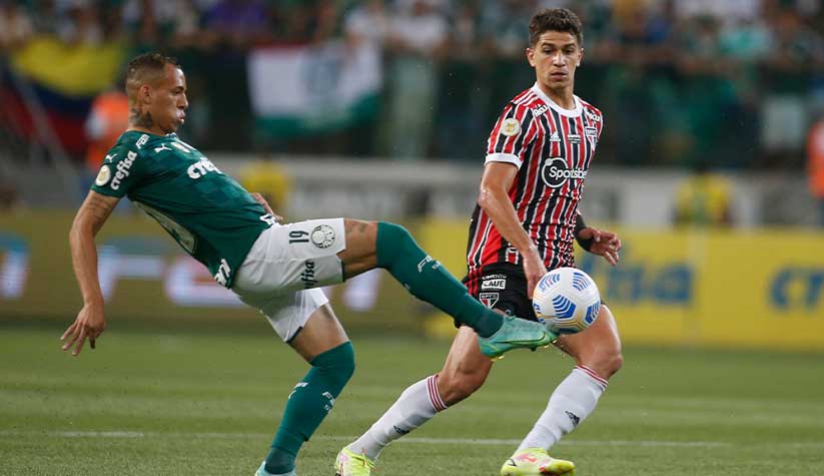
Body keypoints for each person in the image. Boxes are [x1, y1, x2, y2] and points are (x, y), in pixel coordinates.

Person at [59, 52, 556, 476]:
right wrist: (93, 301)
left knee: (336, 360)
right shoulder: (132, 148)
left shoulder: (168, 145)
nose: (185, 102)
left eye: (186, 93)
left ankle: (277, 466)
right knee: (392, 241)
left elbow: (197, 202)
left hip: (252, 261)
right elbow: (83, 225)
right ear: (143, 95)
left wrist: (246, 199)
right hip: (259, 251)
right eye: (175, 93)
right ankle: (488, 324)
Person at [336, 9, 623, 476]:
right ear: (531, 56)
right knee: (461, 379)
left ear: (581, 57)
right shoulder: (520, 115)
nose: (558, 60)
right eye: (548, 50)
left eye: (567, 51)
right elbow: (491, 192)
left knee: (605, 354)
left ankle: (528, 453)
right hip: (504, 265)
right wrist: (528, 254)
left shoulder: (591, 119)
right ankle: (360, 450)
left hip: (556, 272)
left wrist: (583, 232)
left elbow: (552, 192)